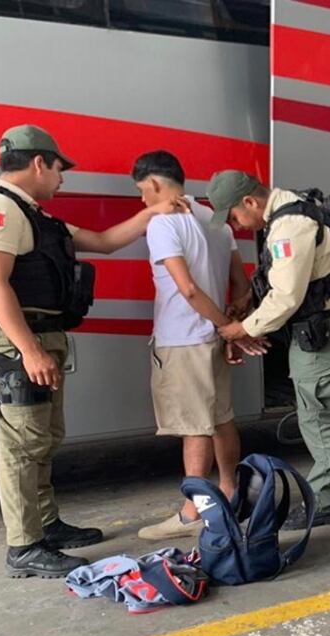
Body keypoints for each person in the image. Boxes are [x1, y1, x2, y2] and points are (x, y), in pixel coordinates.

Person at [0, 125, 186, 578]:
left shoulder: (33, 214)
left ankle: (46, 524)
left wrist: (155, 210)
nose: (63, 178)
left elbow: (105, 241)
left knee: (43, 435)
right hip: (19, 342)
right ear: (39, 163)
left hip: (41, 337)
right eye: (60, 169)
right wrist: (30, 350)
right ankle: (25, 546)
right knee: (21, 443)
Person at [207, 171, 330, 527]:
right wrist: (250, 299)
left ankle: (325, 503)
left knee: (320, 417)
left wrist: (241, 329)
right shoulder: (301, 208)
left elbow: (287, 296)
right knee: (329, 412)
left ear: (250, 201)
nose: (236, 225)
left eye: (234, 216)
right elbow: (295, 276)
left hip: (324, 333)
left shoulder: (289, 225)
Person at [130, 151, 254, 540]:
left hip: (183, 339)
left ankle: (194, 511)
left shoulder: (163, 223)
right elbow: (242, 284)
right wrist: (229, 324)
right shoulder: (215, 220)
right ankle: (230, 493)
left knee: (193, 426)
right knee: (220, 417)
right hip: (212, 340)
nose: (141, 201)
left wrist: (225, 326)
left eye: (141, 191)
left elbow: (186, 288)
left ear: (153, 184)